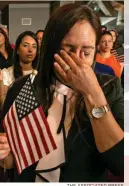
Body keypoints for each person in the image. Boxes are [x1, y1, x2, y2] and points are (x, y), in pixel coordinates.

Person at [0, 3, 123, 182]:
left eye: (86, 52)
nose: (76, 60)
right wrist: (6, 157)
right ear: (51, 48)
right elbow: (12, 159)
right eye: (69, 50)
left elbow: (119, 163)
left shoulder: (110, 88)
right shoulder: (22, 88)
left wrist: (92, 93)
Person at [0, 31, 39, 111]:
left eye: (34, 46)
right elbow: (4, 104)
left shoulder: (40, 74)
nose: (30, 50)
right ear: (17, 49)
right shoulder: (6, 73)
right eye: (25, 45)